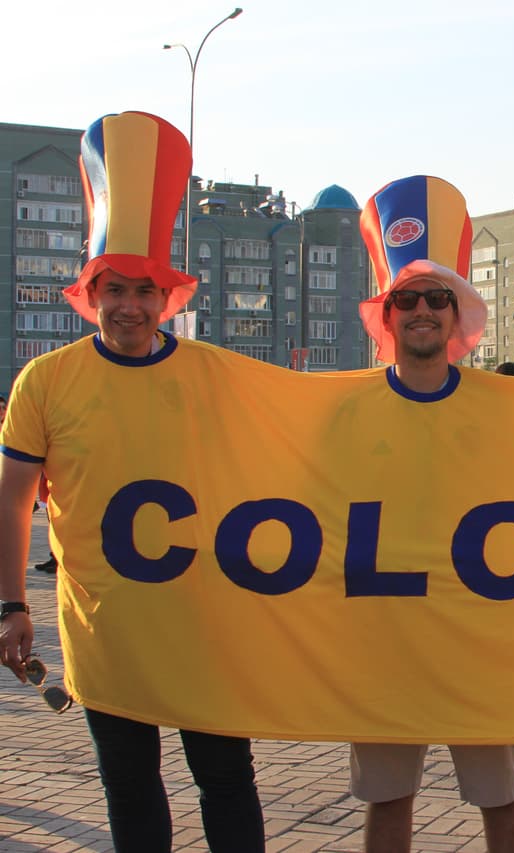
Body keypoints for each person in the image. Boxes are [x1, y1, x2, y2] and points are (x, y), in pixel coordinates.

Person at [0, 111, 264, 851]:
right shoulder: (45, 381)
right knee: (131, 789)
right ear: (92, 292)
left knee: (227, 780)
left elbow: (298, 441)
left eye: (146, 291)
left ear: (168, 299)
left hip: (205, 627)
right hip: (105, 632)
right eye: (116, 288)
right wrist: (11, 604)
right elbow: (13, 499)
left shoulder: (215, 374)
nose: (130, 306)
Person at [353, 175, 514, 853]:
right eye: (407, 298)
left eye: (438, 297)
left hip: (476, 642)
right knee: (388, 800)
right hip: (385, 641)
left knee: (501, 796)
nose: (423, 309)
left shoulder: (502, 409)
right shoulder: (347, 412)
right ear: (387, 315)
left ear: (457, 315)